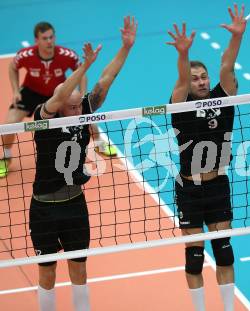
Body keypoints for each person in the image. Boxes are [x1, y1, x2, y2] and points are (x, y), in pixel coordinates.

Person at [29, 16, 137, 311]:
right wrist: (84, 66)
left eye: (80, 106)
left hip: (75, 205)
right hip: (43, 208)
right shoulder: (45, 117)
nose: (79, 111)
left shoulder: (82, 110)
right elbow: (62, 94)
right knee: (47, 274)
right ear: (60, 105)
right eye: (73, 107)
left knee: (79, 271)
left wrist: (126, 48)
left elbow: (107, 80)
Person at [167, 4, 248, 311]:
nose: (201, 81)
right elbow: (180, 82)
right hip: (188, 188)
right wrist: (183, 55)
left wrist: (237, 37)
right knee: (194, 255)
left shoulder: (222, 98)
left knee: (224, 251)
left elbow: (227, 67)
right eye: (195, 78)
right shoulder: (179, 103)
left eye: (204, 77)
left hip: (217, 185)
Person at [0, 22, 116, 178]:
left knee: (84, 116)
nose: (49, 41)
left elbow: (81, 72)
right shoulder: (25, 55)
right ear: (37, 40)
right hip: (30, 92)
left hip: (58, 94)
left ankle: (99, 143)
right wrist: (15, 90)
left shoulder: (67, 55)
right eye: (45, 38)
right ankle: (6, 157)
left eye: (51, 37)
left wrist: (82, 94)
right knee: (10, 123)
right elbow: (12, 68)